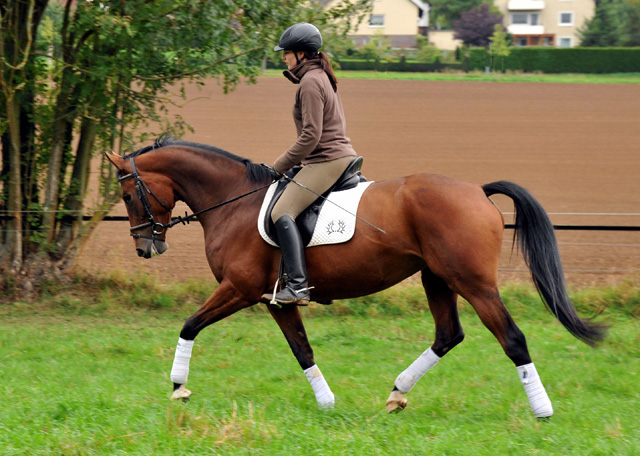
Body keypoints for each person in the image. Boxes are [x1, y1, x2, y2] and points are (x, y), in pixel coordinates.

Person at [261, 22, 358, 307]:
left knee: (281, 212)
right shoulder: (318, 76)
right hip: (331, 157)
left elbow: (311, 136)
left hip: (327, 159)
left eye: (287, 52)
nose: (283, 58)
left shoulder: (311, 82)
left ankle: (297, 287)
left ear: (301, 54)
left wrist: (277, 166)